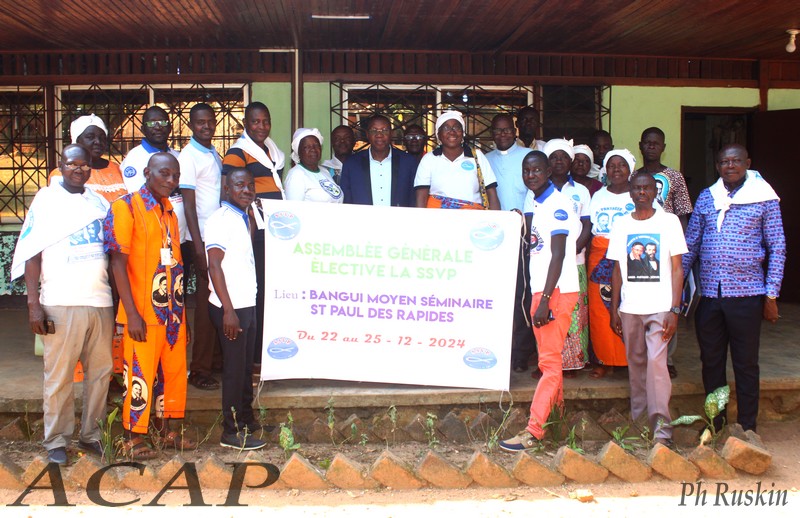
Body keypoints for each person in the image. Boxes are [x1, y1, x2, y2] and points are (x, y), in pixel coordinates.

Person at [12, 144, 113, 464]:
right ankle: (56, 439)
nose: (80, 169)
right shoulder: (46, 201)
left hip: (100, 301)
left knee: (100, 375)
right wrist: (33, 304)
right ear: (61, 166)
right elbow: (31, 253)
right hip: (59, 302)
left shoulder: (98, 201)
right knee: (60, 376)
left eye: (85, 165)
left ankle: (92, 435)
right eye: (73, 164)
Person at [682, 144, 785, 432]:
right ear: (717, 166)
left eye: (735, 160)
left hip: (747, 295)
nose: (730, 166)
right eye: (724, 161)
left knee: (745, 363)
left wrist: (771, 294)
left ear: (747, 163)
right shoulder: (706, 197)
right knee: (711, 362)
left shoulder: (764, 198)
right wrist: (678, 288)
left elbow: (777, 246)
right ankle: (717, 424)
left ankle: (747, 427)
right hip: (710, 296)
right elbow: (691, 246)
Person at [105, 152, 194, 459]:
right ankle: (133, 437)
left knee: (174, 374)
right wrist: (131, 314)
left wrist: (182, 315)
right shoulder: (127, 206)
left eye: (176, 177)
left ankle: (169, 432)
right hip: (142, 313)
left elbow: (175, 262)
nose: (171, 181)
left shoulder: (168, 209)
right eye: (165, 174)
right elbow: (118, 263)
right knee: (140, 376)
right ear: (147, 172)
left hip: (173, 314)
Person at [499, 151, 579, 451]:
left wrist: (545, 299)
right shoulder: (536, 202)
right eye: (526, 171)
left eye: (536, 170)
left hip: (554, 292)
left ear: (548, 172)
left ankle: (533, 432)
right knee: (552, 360)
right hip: (544, 292)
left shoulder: (557, 205)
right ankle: (554, 422)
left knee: (548, 363)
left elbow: (558, 255)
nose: (531, 175)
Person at [608, 172, 687, 446]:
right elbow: (617, 269)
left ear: (656, 192)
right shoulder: (620, 225)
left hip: (660, 308)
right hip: (630, 308)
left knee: (656, 365)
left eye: (647, 188)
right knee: (637, 366)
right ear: (630, 192)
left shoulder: (669, 222)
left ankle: (662, 432)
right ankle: (640, 425)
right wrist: (614, 309)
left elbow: (678, 269)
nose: (642, 192)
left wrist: (674, 309)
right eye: (637, 188)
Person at [49, 114, 126, 386]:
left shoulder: (117, 169)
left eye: (101, 136)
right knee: (81, 318)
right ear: (76, 141)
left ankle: (112, 372)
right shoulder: (60, 175)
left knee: (113, 318)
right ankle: (80, 373)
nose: (97, 142)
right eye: (89, 137)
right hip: (81, 260)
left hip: (115, 258)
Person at [205, 168, 266, 450]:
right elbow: (214, 265)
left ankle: (246, 419)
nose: (246, 190)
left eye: (250, 185)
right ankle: (231, 431)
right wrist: (228, 311)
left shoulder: (245, 217)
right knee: (233, 370)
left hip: (247, 303)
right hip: (231, 307)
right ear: (226, 189)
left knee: (243, 370)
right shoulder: (220, 219)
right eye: (239, 185)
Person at [223, 101, 285, 366]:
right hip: (255, 229)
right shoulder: (238, 152)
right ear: (246, 124)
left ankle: (270, 344)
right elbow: (232, 190)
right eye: (256, 122)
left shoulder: (272, 151)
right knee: (258, 288)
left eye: (265, 121)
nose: (261, 126)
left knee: (273, 288)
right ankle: (258, 352)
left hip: (275, 229)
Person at [635, 127, 693, 378]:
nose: (651, 146)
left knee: (668, 300)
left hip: (667, 248)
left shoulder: (675, 177)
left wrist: (678, 248)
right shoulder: (633, 176)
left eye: (656, 143)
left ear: (663, 146)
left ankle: (667, 358)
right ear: (640, 145)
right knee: (641, 300)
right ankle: (642, 356)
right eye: (647, 142)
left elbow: (683, 215)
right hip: (639, 245)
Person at [485, 113, 536, 372]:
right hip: (490, 239)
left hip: (523, 236)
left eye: (507, 130)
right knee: (495, 294)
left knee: (521, 294)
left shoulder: (529, 156)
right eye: (497, 131)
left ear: (514, 131)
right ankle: (497, 347)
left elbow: (535, 193)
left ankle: (520, 352)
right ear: (491, 133)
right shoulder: (484, 160)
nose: (502, 135)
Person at [179, 103, 223, 391]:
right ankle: (199, 370)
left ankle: (215, 360)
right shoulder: (189, 156)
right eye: (200, 122)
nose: (206, 126)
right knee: (206, 306)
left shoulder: (212, 152)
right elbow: (189, 204)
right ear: (191, 125)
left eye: (210, 122)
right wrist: (197, 245)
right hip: (202, 239)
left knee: (217, 300)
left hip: (217, 236)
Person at [542, 138, 591, 378]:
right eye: (554, 157)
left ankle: (572, 363)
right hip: (545, 263)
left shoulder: (580, 191)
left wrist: (573, 250)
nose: (559, 161)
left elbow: (587, 224)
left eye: (563, 157)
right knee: (548, 308)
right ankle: (549, 362)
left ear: (570, 161)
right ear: (547, 163)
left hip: (575, 260)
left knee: (571, 311)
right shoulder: (538, 189)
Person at [586, 149, 637, 378]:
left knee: (629, 306)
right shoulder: (598, 196)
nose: (616, 170)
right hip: (600, 255)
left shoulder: (639, 193)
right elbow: (590, 227)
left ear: (630, 170)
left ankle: (630, 360)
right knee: (600, 310)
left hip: (631, 256)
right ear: (605, 170)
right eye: (612, 165)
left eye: (622, 165)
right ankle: (605, 359)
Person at [119, 106, 186, 243]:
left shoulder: (179, 157)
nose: (157, 127)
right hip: (152, 239)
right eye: (151, 123)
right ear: (143, 129)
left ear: (170, 127)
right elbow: (136, 202)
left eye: (162, 122)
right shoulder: (134, 159)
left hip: (180, 238)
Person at [415, 111, 501, 210]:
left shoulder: (477, 157)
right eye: (446, 128)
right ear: (438, 134)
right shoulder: (429, 159)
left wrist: (496, 222)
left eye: (457, 127)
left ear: (463, 132)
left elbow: (492, 194)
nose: (452, 132)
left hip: (473, 222)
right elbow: (421, 197)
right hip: (438, 221)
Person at [340, 115, 417, 207]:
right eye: (374, 130)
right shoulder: (351, 164)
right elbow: (346, 200)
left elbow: (414, 198)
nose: (379, 135)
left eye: (384, 130)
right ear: (367, 134)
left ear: (391, 134)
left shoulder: (408, 162)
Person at [285, 128, 343, 203]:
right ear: (298, 152)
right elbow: (294, 210)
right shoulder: (296, 174)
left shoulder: (325, 172)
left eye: (316, 145)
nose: (313, 149)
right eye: (307, 147)